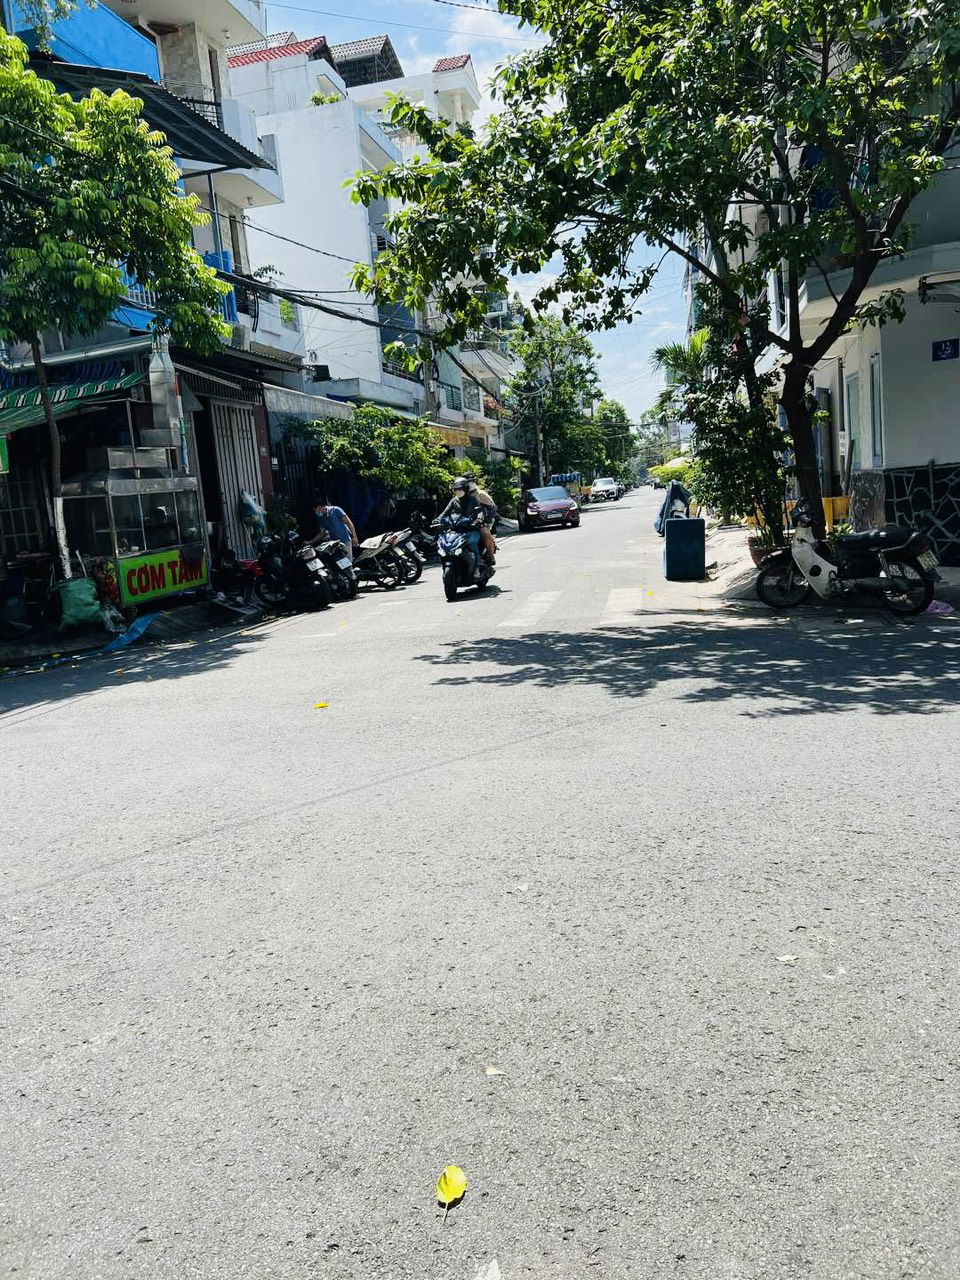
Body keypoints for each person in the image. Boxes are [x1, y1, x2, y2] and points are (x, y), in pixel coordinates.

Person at [463, 473, 498, 563]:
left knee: (485, 533)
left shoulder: (481, 494)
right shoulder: (462, 496)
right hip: (466, 523)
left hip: (481, 523)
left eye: (471, 481)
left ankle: (490, 555)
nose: (470, 483)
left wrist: (486, 521)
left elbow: (493, 509)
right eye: (468, 482)